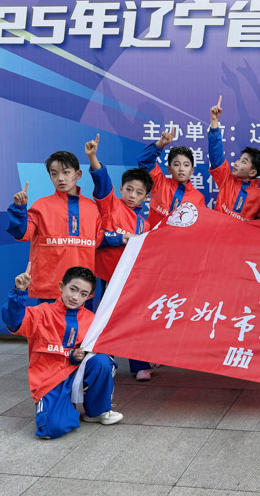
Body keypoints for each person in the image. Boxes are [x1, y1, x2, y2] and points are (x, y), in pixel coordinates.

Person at [2, 265, 123, 439]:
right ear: (61, 286)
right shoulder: (41, 313)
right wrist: (19, 292)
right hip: (49, 379)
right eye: (73, 289)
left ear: (89, 297)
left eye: (83, 294)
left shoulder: (91, 320)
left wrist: (79, 355)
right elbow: (14, 322)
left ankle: (97, 411)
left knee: (103, 360)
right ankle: (64, 406)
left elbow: (97, 350)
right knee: (52, 429)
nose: (75, 297)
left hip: (76, 374)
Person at [84, 134, 156, 381]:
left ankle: (140, 364)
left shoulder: (145, 224)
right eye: (129, 189)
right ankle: (106, 362)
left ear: (146, 197)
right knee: (105, 319)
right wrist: (93, 158)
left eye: (139, 192)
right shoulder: (110, 205)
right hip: (106, 277)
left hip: (130, 280)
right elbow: (102, 181)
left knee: (134, 319)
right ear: (121, 189)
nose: (133, 195)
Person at [7, 151, 102, 303]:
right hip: (49, 289)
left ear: (78, 174)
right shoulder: (41, 206)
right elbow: (21, 233)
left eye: (66, 172)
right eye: (54, 174)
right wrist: (19, 209)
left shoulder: (93, 208)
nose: (60, 178)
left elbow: (101, 241)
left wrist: (124, 238)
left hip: (83, 290)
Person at [207, 96, 260, 221]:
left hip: (241, 235)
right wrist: (214, 121)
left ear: (252, 172)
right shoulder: (226, 179)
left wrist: (250, 225)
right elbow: (216, 154)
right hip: (217, 232)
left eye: (243, 162)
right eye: (239, 159)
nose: (237, 163)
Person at [139, 127, 206, 227]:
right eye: (176, 164)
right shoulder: (159, 183)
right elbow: (144, 161)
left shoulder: (198, 198)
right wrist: (160, 144)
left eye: (186, 165)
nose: (181, 169)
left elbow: (199, 227)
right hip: (154, 236)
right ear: (169, 169)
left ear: (192, 171)